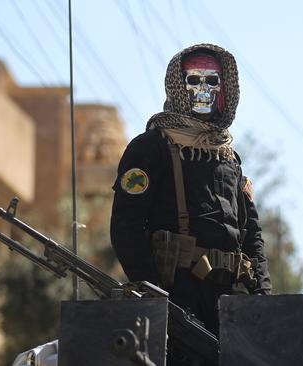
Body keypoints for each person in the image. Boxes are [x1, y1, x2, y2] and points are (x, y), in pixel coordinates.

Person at [110, 43, 272, 340]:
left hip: (230, 302)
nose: (203, 90)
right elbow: (126, 227)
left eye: (212, 81)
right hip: (177, 295)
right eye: (194, 80)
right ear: (177, 86)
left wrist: (262, 297)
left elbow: (251, 233)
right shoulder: (151, 147)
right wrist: (156, 299)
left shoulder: (228, 157)